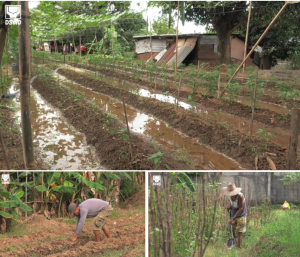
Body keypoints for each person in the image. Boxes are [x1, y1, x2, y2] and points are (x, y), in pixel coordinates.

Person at [222, 182, 247, 249]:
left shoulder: (240, 196)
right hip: (233, 213)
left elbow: (240, 208)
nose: (231, 194)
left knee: (239, 232)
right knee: (231, 229)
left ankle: (239, 247)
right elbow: (232, 202)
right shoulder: (230, 196)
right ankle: (234, 241)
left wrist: (233, 218)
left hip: (241, 214)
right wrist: (229, 205)